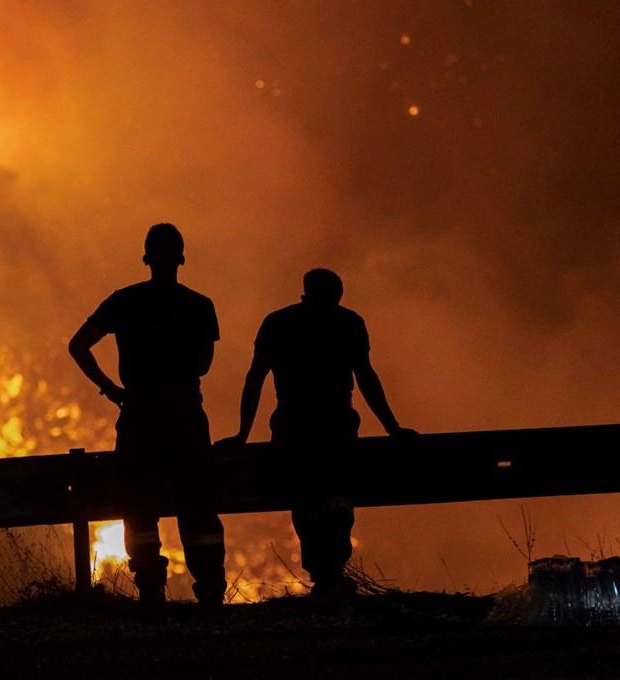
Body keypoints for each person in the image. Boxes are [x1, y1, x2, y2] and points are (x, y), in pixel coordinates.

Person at [221, 268, 417, 610]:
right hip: (336, 424)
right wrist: (392, 427)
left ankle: (324, 576)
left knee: (307, 501)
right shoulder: (348, 322)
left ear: (305, 293)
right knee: (336, 498)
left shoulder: (278, 323)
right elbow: (366, 377)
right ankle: (331, 574)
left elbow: (255, 378)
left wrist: (242, 435)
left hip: (293, 426)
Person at [69, 223, 227, 621]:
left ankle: (152, 593)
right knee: (198, 505)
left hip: (139, 414)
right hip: (186, 414)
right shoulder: (199, 305)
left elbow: (79, 345)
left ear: (145, 258)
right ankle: (209, 594)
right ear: (181, 258)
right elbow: (204, 364)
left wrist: (112, 389)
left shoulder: (124, 302)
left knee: (139, 507)